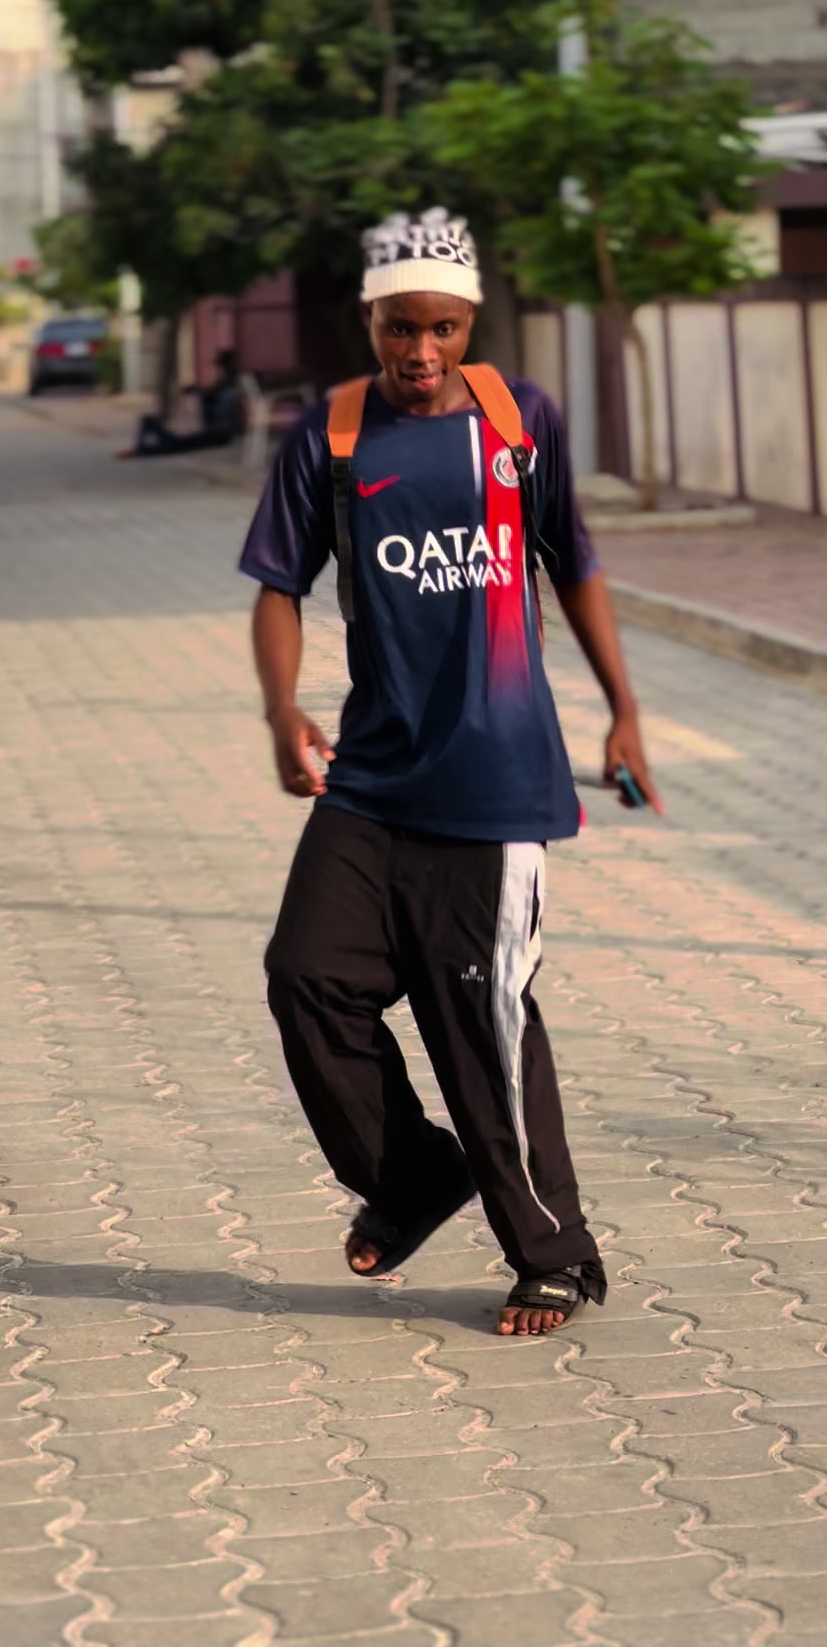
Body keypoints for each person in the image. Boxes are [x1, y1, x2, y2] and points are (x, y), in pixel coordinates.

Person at [239, 209, 660, 1337]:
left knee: (482, 1021)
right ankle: (418, 1175)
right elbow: (278, 585)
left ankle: (555, 1255)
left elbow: (575, 561)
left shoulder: (519, 420)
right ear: (369, 318)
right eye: (399, 327)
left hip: (493, 778)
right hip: (372, 777)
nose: (420, 351)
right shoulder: (332, 433)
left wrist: (623, 710)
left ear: (470, 321)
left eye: (443, 328)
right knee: (307, 977)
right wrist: (282, 709)